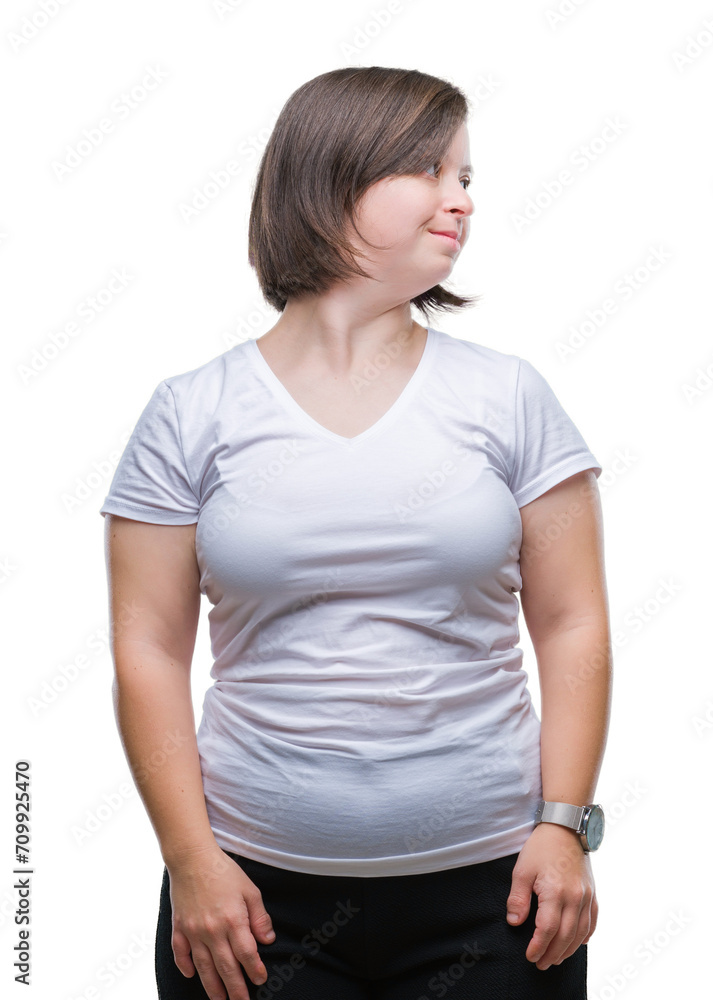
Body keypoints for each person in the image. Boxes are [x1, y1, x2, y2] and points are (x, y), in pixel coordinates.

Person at [99, 66, 611, 1000]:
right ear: (333, 177)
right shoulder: (189, 413)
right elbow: (146, 649)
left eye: (467, 177)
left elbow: (573, 625)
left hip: (500, 898)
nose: (461, 199)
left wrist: (563, 825)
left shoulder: (511, 397)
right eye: (431, 169)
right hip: (250, 906)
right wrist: (190, 862)